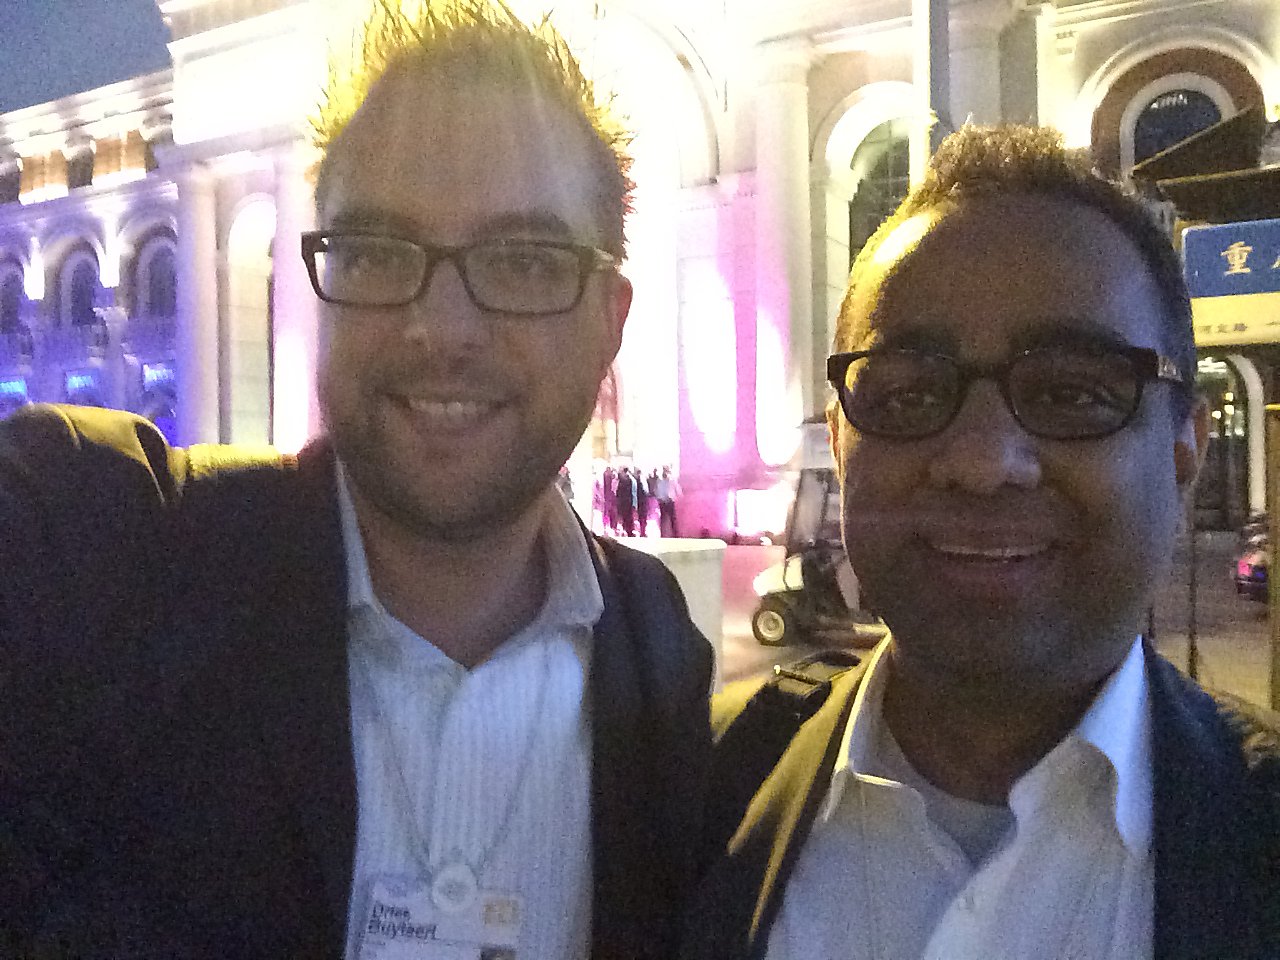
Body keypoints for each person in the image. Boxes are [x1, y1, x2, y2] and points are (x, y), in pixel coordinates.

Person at [1, 2, 712, 957]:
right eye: (379, 253)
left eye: (524, 260)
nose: (444, 330)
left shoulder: (659, 651)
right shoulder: (103, 553)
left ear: (610, 320)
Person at [683, 125, 1280, 960]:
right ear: (844, 445)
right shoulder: (695, 799)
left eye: (1073, 393)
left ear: (1185, 450)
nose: (981, 462)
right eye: (908, 394)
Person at [655, 464, 680, 537]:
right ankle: (662, 534)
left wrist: (676, 497)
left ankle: (675, 534)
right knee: (663, 518)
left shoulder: (672, 480)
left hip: (670, 500)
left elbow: (677, 489)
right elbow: (657, 490)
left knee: (672, 518)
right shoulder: (659, 480)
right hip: (662, 501)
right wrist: (659, 498)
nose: (664, 472)